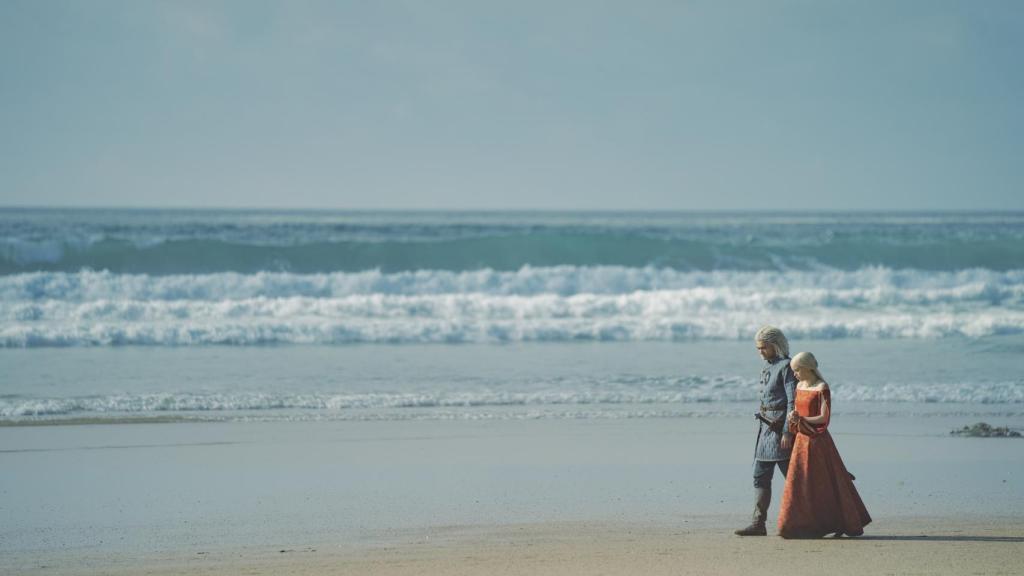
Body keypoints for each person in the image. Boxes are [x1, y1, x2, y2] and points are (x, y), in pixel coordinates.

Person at [777, 352, 871, 538]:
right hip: (801, 440)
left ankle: (833, 523)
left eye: (797, 370)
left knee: (824, 483)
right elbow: (796, 408)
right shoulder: (799, 385)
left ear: (807, 368)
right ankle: (797, 525)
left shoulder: (822, 387)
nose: (794, 374)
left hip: (818, 441)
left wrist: (801, 417)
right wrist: (792, 416)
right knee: (800, 483)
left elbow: (824, 418)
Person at [735, 326, 797, 536]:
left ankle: (801, 521)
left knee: (794, 479)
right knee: (760, 477)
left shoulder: (787, 367)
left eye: (764, 347)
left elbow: (793, 401)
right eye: (758, 348)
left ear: (775, 346)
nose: (760, 351)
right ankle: (758, 524)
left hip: (780, 432)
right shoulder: (767, 367)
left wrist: (788, 432)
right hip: (765, 431)